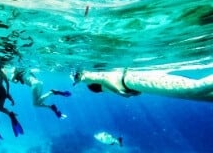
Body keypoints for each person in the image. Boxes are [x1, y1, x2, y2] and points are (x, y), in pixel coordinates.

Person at [71, 69, 213, 101]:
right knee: (205, 96)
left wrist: (119, 92)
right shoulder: (95, 85)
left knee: (193, 89)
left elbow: (102, 79)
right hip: (137, 82)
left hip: (134, 79)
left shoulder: (90, 79)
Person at [0, 60, 24, 143]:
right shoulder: (2, 73)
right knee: (1, 108)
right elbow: (7, 83)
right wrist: (7, 93)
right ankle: (11, 115)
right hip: (2, 91)